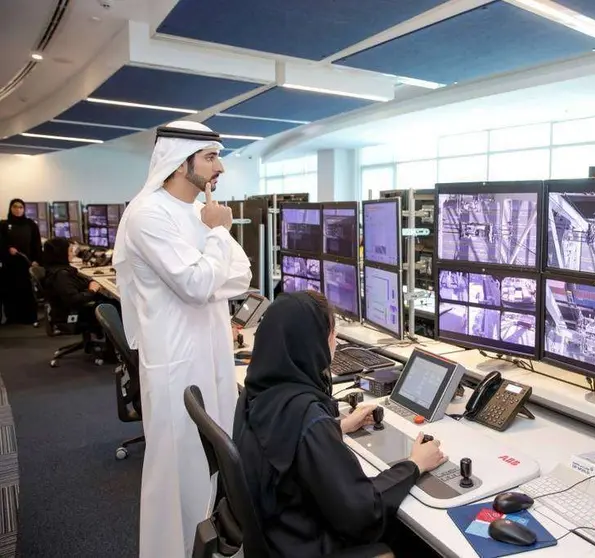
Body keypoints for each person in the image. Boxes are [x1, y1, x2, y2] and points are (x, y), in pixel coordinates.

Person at [113, 121, 252, 558]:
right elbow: (195, 284)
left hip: (211, 353)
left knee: (218, 470)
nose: (220, 167)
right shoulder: (147, 215)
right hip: (176, 363)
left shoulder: (199, 213)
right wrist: (218, 235)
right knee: (179, 479)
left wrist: (210, 259)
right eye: (210, 157)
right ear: (180, 161)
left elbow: (242, 276)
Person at [234, 291, 447, 558]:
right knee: (411, 535)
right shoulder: (307, 418)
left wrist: (337, 427)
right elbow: (361, 513)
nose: (335, 342)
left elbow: (283, 446)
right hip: (308, 546)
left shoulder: (256, 390)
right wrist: (415, 464)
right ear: (313, 343)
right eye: (333, 334)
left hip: (279, 536)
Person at [41, 237, 114, 328]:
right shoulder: (61, 275)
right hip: (72, 316)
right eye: (70, 251)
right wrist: (92, 291)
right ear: (61, 254)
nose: (73, 255)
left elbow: (76, 284)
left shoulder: (55, 269)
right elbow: (74, 300)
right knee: (113, 305)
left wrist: (90, 282)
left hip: (64, 312)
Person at [0, 199, 41, 326]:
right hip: (9, 265)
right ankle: (12, 318)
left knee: (27, 291)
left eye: (20, 207)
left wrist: (36, 260)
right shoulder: (3, 224)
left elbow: (36, 244)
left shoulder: (30, 224)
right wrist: (7, 249)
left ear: (24, 209)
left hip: (26, 264)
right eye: (15, 207)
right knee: (10, 291)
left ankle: (29, 318)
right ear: (10, 208)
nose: (18, 210)